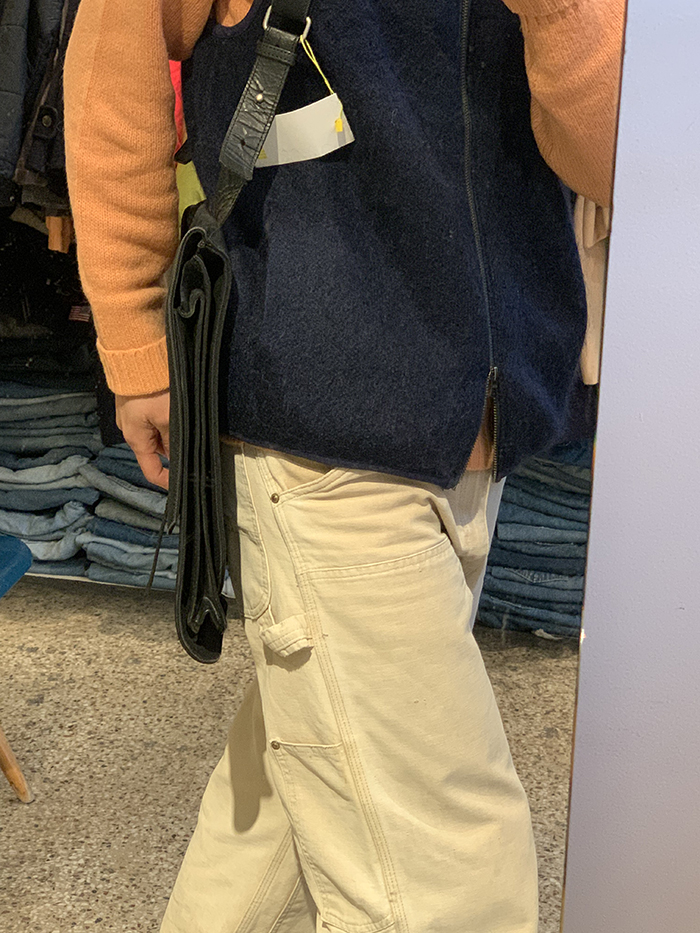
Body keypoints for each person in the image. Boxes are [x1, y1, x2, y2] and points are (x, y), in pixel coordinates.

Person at [64, 1, 624, 931]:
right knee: (451, 880)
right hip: (319, 422)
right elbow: (111, 71)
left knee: (284, 805)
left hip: (481, 417)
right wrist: (133, 335)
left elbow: (608, 159)